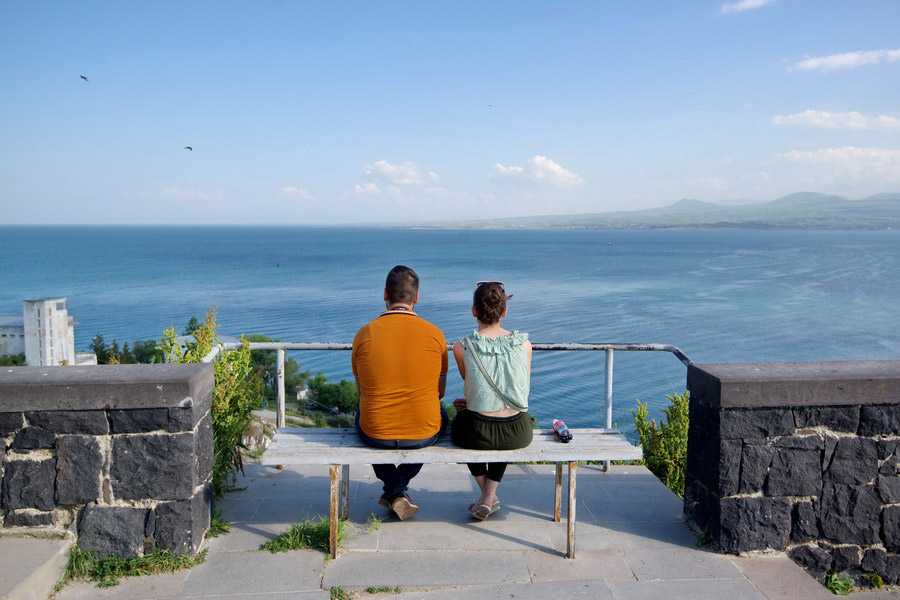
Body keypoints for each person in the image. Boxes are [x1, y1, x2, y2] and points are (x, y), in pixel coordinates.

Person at [352, 265, 449, 520]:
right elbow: (439, 393)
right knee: (442, 417)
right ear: (416, 298)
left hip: (376, 433)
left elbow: (362, 392)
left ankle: (394, 488)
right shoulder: (435, 334)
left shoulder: (364, 334)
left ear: (385, 294)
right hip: (422, 432)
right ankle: (398, 487)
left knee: (364, 415)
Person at [450, 281, 533, 520]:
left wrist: (471, 405)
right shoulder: (524, 344)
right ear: (504, 311)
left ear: (473, 311)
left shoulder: (461, 347)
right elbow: (520, 387)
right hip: (518, 431)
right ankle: (489, 497)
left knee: (460, 424)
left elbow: (472, 383)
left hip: (476, 432)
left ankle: (487, 497)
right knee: (504, 428)